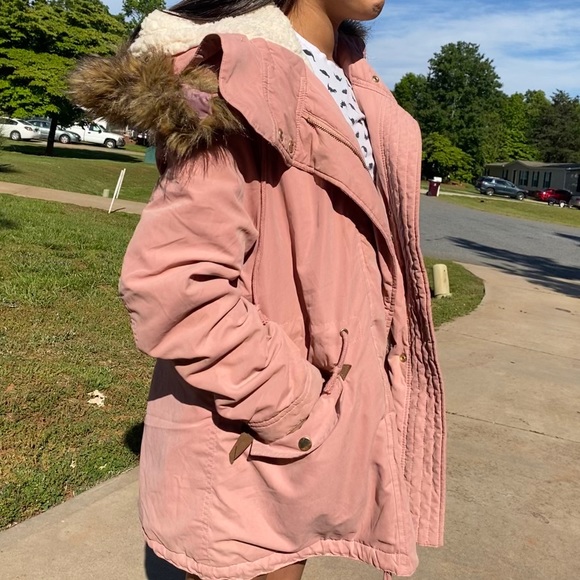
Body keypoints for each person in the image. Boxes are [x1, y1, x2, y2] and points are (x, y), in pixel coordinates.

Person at [69, 1, 446, 579]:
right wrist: (298, 408)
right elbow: (177, 283)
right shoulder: (240, 77)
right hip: (249, 437)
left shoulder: (352, 84)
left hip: (303, 437)